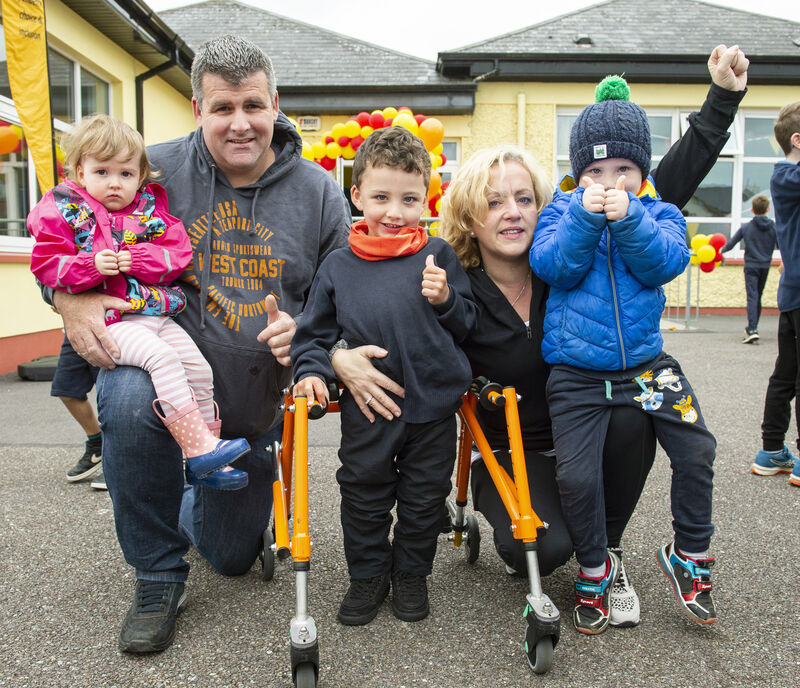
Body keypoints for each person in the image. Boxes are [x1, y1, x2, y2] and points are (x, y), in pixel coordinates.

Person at [331, 45, 749, 632]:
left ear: (548, 205)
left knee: (633, 415)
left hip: (584, 428)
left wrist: (722, 101)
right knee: (546, 550)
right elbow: (373, 312)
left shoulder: (575, 271)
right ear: (470, 215)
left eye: (524, 199)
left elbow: (662, 181)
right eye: (493, 201)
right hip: (509, 450)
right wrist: (334, 355)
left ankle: (610, 552)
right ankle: (579, 545)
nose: (511, 213)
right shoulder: (453, 285)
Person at [42, 36, 351, 653]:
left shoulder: (319, 192)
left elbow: (348, 291)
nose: (241, 124)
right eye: (223, 108)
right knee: (128, 400)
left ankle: (189, 487)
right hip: (161, 365)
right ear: (197, 110)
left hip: (251, 405)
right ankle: (158, 576)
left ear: (275, 104)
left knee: (232, 558)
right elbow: (58, 240)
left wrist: (312, 331)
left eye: (253, 106)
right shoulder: (145, 171)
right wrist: (71, 302)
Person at [530, 76, 717, 635]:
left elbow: (664, 264)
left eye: (623, 172)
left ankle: (690, 555)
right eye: (595, 172)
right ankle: (595, 568)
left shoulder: (660, 213)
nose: (609, 183)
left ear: (643, 173)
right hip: (575, 374)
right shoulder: (559, 213)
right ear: (577, 173)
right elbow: (553, 266)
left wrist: (631, 218)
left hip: (647, 366)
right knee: (579, 480)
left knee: (697, 448)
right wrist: (587, 218)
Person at [291, 126, 477, 625]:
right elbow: (312, 335)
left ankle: (411, 575)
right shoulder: (337, 266)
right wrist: (312, 372)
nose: (394, 212)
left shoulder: (438, 256)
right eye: (380, 197)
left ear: (426, 198)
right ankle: (368, 576)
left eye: (409, 199)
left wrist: (447, 300)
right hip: (368, 410)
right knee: (364, 495)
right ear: (356, 195)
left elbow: (469, 324)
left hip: (434, 410)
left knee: (422, 501)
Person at [29, 115, 251, 491]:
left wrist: (141, 258)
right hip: (116, 320)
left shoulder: (148, 212)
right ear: (80, 173)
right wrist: (89, 265)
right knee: (162, 360)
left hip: (157, 313)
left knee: (199, 368)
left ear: (141, 176)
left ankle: (209, 455)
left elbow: (177, 255)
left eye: (126, 174)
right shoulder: (62, 210)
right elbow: (47, 263)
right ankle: (197, 450)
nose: (115, 183)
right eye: (102, 171)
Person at [750, 101, 800, 487]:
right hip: (797, 292)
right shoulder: (787, 175)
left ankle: (772, 451)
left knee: (787, 372)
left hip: (792, 290)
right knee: (788, 375)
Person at [721, 194, 777, 343]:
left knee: (752, 296)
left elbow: (730, 245)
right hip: (765, 266)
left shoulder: (746, 227)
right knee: (758, 296)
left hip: (751, 266)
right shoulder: (774, 227)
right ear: (768, 209)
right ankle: (753, 327)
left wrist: (717, 252)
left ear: (752, 210)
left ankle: (752, 329)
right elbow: (783, 246)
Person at [50, 336, 103, 485]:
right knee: (65, 388)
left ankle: (118, 458)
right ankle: (98, 443)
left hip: (109, 325)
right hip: (75, 330)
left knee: (111, 393)